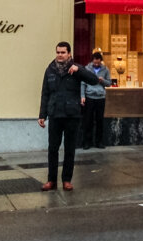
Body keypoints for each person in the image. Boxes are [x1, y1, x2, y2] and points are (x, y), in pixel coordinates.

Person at [37, 41, 99, 191]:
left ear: (69, 54)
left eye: (63, 52)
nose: (60, 55)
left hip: (72, 115)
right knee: (53, 149)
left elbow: (94, 80)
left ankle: (66, 180)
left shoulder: (76, 68)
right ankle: (51, 181)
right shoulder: (50, 70)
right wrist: (42, 115)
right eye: (58, 52)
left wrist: (79, 71)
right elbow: (45, 93)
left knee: (70, 149)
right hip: (55, 114)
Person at [81, 50, 111, 150]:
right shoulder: (87, 69)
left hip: (100, 97)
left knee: (99, 121)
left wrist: (103, 81)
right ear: (92, 61)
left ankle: (99, 142)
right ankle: (87, 142)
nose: (96, 64)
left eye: (98, 63)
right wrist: (82, 96)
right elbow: (83, 83)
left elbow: (109, 83)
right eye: (95, 62)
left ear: (101, 61)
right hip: (89, 97)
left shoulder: (105, 70)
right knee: (88, 120)